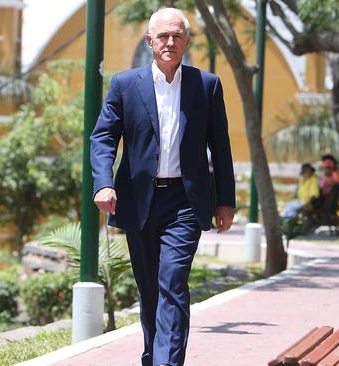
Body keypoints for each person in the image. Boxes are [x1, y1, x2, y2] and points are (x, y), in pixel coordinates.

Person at [90, 8, 235, 366]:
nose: (170, 42)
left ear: (187, 41)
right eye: (164, 36)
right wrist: (103, 184)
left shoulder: (206, 85)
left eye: (177, 36)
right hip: (140, 200)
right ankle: (152, 356)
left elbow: (221, 145)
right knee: (151, 289)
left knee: (172, 282)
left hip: (185, 201)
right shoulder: (126, 85)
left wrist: (226, 201)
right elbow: (103, 137)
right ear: (150, 41)